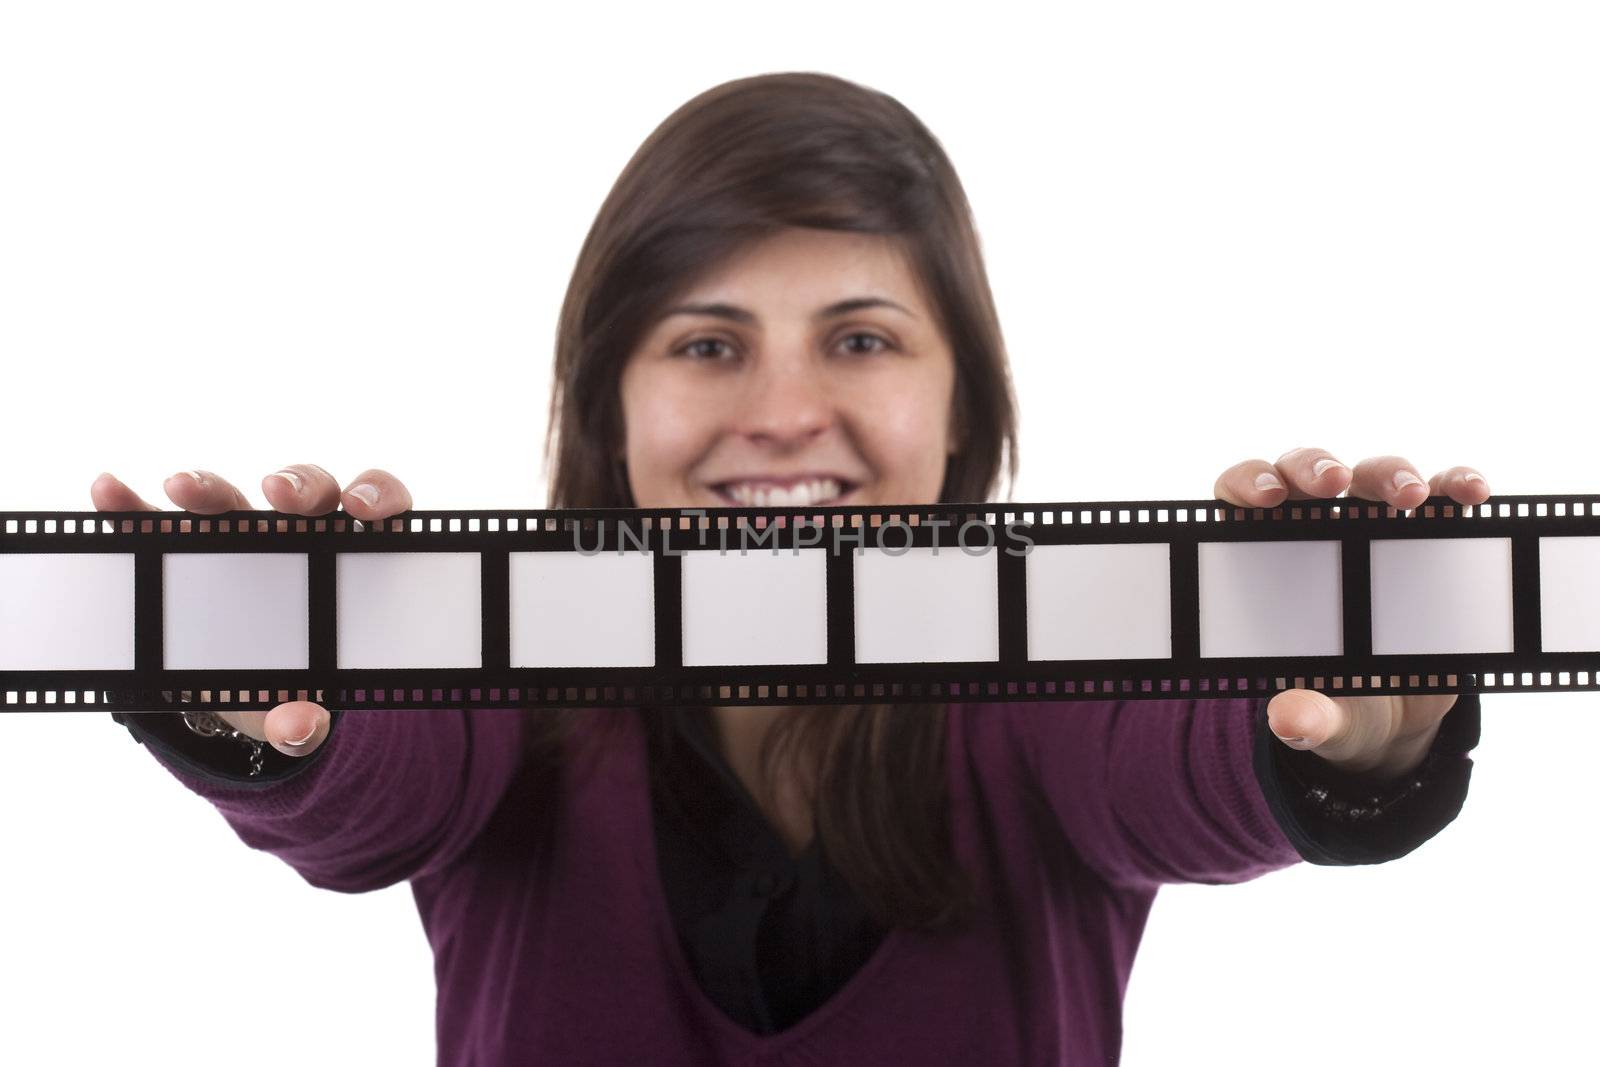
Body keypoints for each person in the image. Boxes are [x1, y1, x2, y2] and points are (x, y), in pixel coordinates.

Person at [95, 71, 1487, 1065]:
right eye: (708, 345)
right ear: (610, 406)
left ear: (962, 406)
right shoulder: (496, 665)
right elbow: (373, 792)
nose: (780, 413)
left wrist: (1346, 729)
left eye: (861, 339)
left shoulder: (1054, 667)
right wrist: (263, 698)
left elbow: (1183, 763)